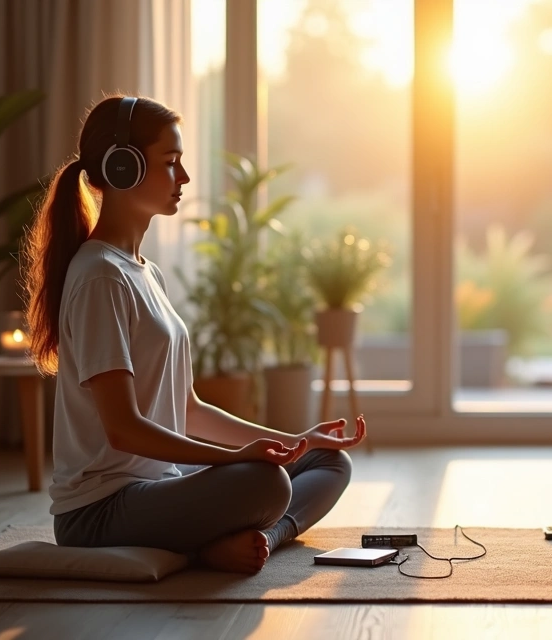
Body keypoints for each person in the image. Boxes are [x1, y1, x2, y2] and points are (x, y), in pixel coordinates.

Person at [21, 95, 365, 574]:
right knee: (266, 484)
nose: (183, 178)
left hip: (157, 484)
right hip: (100, 512)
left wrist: (294, 440)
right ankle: (209, 547)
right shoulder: (100, 276)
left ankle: (262, 536)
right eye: (171, 163)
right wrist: (235, 460)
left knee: (327, 462)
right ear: (124, 168)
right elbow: (123, 430)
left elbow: (187, 409)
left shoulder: (145, 273)